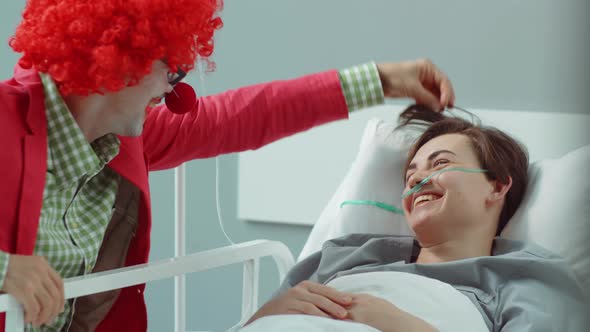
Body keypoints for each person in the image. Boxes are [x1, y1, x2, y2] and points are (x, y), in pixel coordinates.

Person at [0, 1, 455, 331]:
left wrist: (380, 81)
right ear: (121, 58)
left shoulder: (125, 140)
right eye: (174, 69)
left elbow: (240, 116)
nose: (177, 90)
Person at [244, 105, 590, 332]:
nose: (416, 179)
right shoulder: (344, 254)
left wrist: (397, 324)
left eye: (440, 163)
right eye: (411, 172)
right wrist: (270, 312)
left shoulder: (525, 279)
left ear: (496, 186)